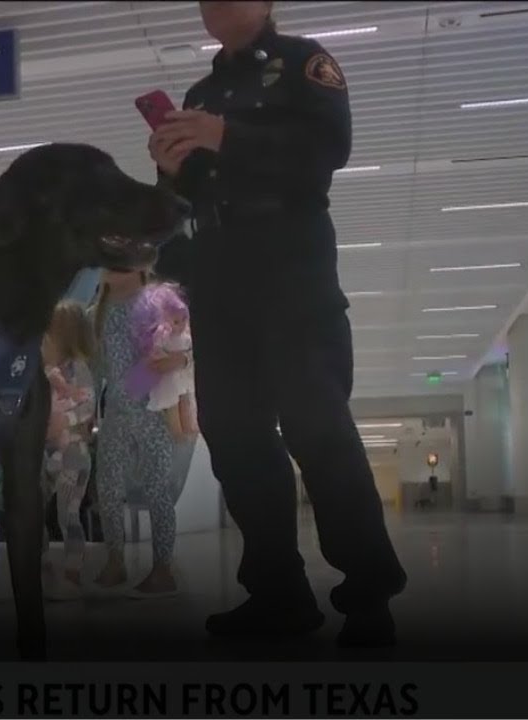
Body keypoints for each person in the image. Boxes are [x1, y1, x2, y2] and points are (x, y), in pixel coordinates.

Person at [147, 1, 406, 646]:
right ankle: (278, 593)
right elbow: (187, 196)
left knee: (317, 425)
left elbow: (328, 150)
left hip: (292, 268)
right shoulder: (200, 93)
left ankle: (368, 591)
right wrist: (174, 168)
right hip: (219, 275)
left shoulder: (302, 63)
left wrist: (223, 136)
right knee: (233, 435)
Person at [91, 269, 181, 598]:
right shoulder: (98, 311)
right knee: (108, 487)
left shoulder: (156, 302)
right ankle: (115, 559)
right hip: (116, 409)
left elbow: (183, 344)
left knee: (157, 487)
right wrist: (90, 409)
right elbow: (96, 367)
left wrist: (180, 361)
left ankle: (162, 567)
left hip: (151, 408)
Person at [40, 301, 96, 599]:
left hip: (73, 455)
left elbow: (87, 407)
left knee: (68, 512)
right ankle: (43, 561)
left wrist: (67, 421)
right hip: (44, 451)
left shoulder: (79, 370)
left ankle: (73, 568)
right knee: (35, 507)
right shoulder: (43, 370)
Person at [123, 282, 197, 438]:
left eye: (184, 319)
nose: (182, 324)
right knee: (171, 405)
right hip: (167, 382)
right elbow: (154, 361)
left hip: (180, 378)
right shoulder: (160, 339)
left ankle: (188, 427)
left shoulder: (185, 336)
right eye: (176, 321)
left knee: (185, 400)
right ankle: (178, 432)